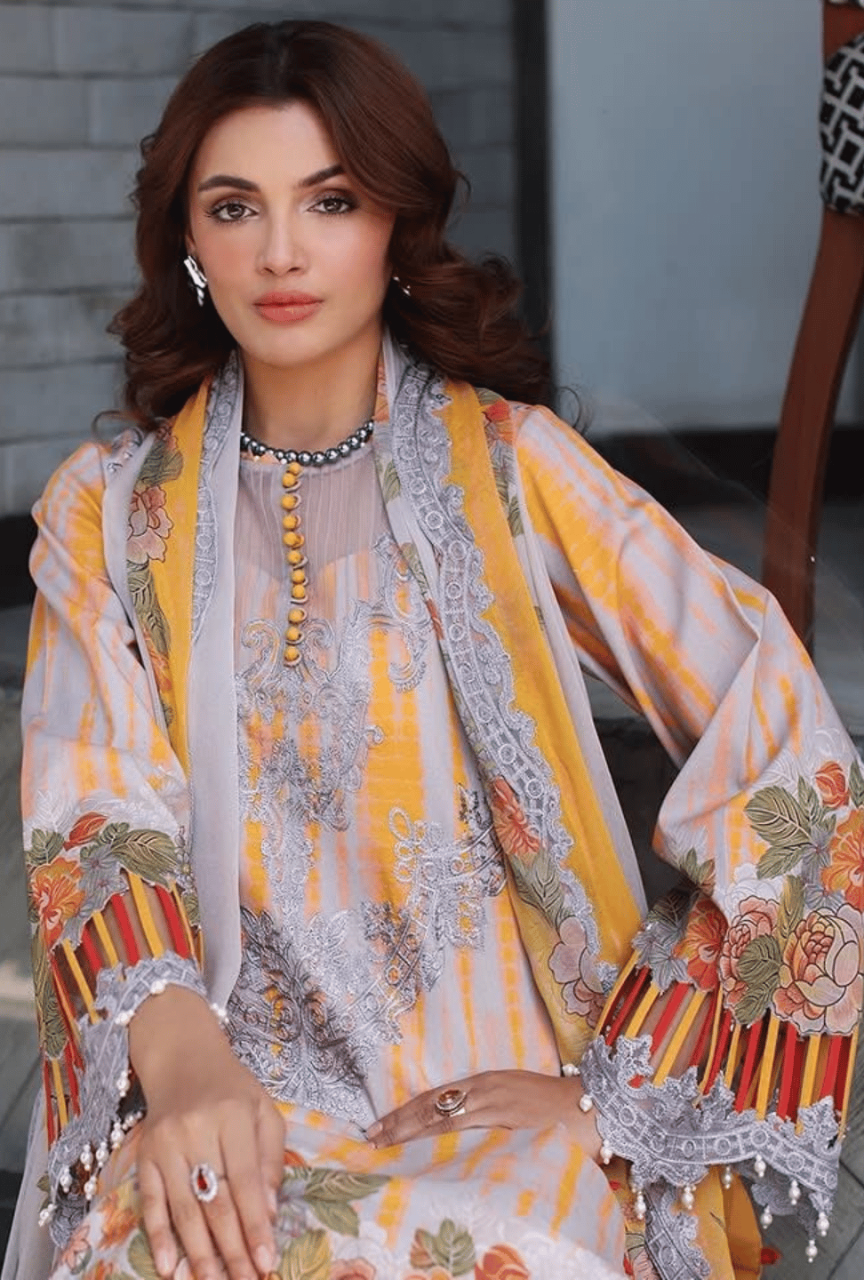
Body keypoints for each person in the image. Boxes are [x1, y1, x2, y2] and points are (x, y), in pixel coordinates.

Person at [4, 18, 863, 1280]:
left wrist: (611, 1090)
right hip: (228, 1077)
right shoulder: (113, 512)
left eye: (331, 200)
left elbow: (788, 749)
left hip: (501, 1078)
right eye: (235, 206)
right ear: (187, 240)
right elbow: (96, 811)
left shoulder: (512, 470)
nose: (282, 251)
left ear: (396, 227)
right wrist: (184, 1071)